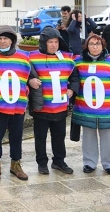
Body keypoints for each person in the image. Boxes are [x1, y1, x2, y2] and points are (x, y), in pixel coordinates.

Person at [0, 26, 41, 181]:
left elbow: (31, 75)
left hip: (18, 105)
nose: (3, 41)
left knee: (17, 136)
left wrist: (31, 80)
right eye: (0, 38)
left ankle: (15, 164)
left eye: (6, 38)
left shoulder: (24, 56)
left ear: (12, 40)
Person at [72, 34, 110, 176]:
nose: (95, 47)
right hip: (85, 108)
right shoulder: (78, 62)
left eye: (98, 44)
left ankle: (109, 164)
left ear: (103, 46)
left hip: (107, 109)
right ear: (86, 46)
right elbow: (71, 80)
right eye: (92, 44)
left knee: (107, 137)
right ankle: (89, 162)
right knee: (88, 136)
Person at [28, 27, 78, 175]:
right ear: (44, 43)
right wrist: (30, 81)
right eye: (50, 42)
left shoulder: (67, 58)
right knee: (40, 137)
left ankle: (59, 161)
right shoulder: (32, 57)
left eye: (56, 42)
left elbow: (74, 77)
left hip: (60, 107)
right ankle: (42, 163)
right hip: (41, 107)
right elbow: (24, 75)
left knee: (59, 136)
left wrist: (72, 90)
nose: (54, 45)